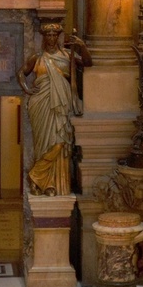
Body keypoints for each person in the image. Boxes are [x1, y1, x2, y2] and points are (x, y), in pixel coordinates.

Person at [21, 20, 89, 194]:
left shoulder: (67, 55)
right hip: (41, 103)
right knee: (42, 143)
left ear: (58, 37)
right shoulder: (37, 57)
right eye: (48, 35)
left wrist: (82, 47)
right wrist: (27, 89)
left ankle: (36, 175)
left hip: (61, 103)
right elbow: (22, 72)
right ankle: (47, 183)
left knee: (58, 142)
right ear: (44, 38)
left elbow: (88, 63)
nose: (51, 38)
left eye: (54, 35)